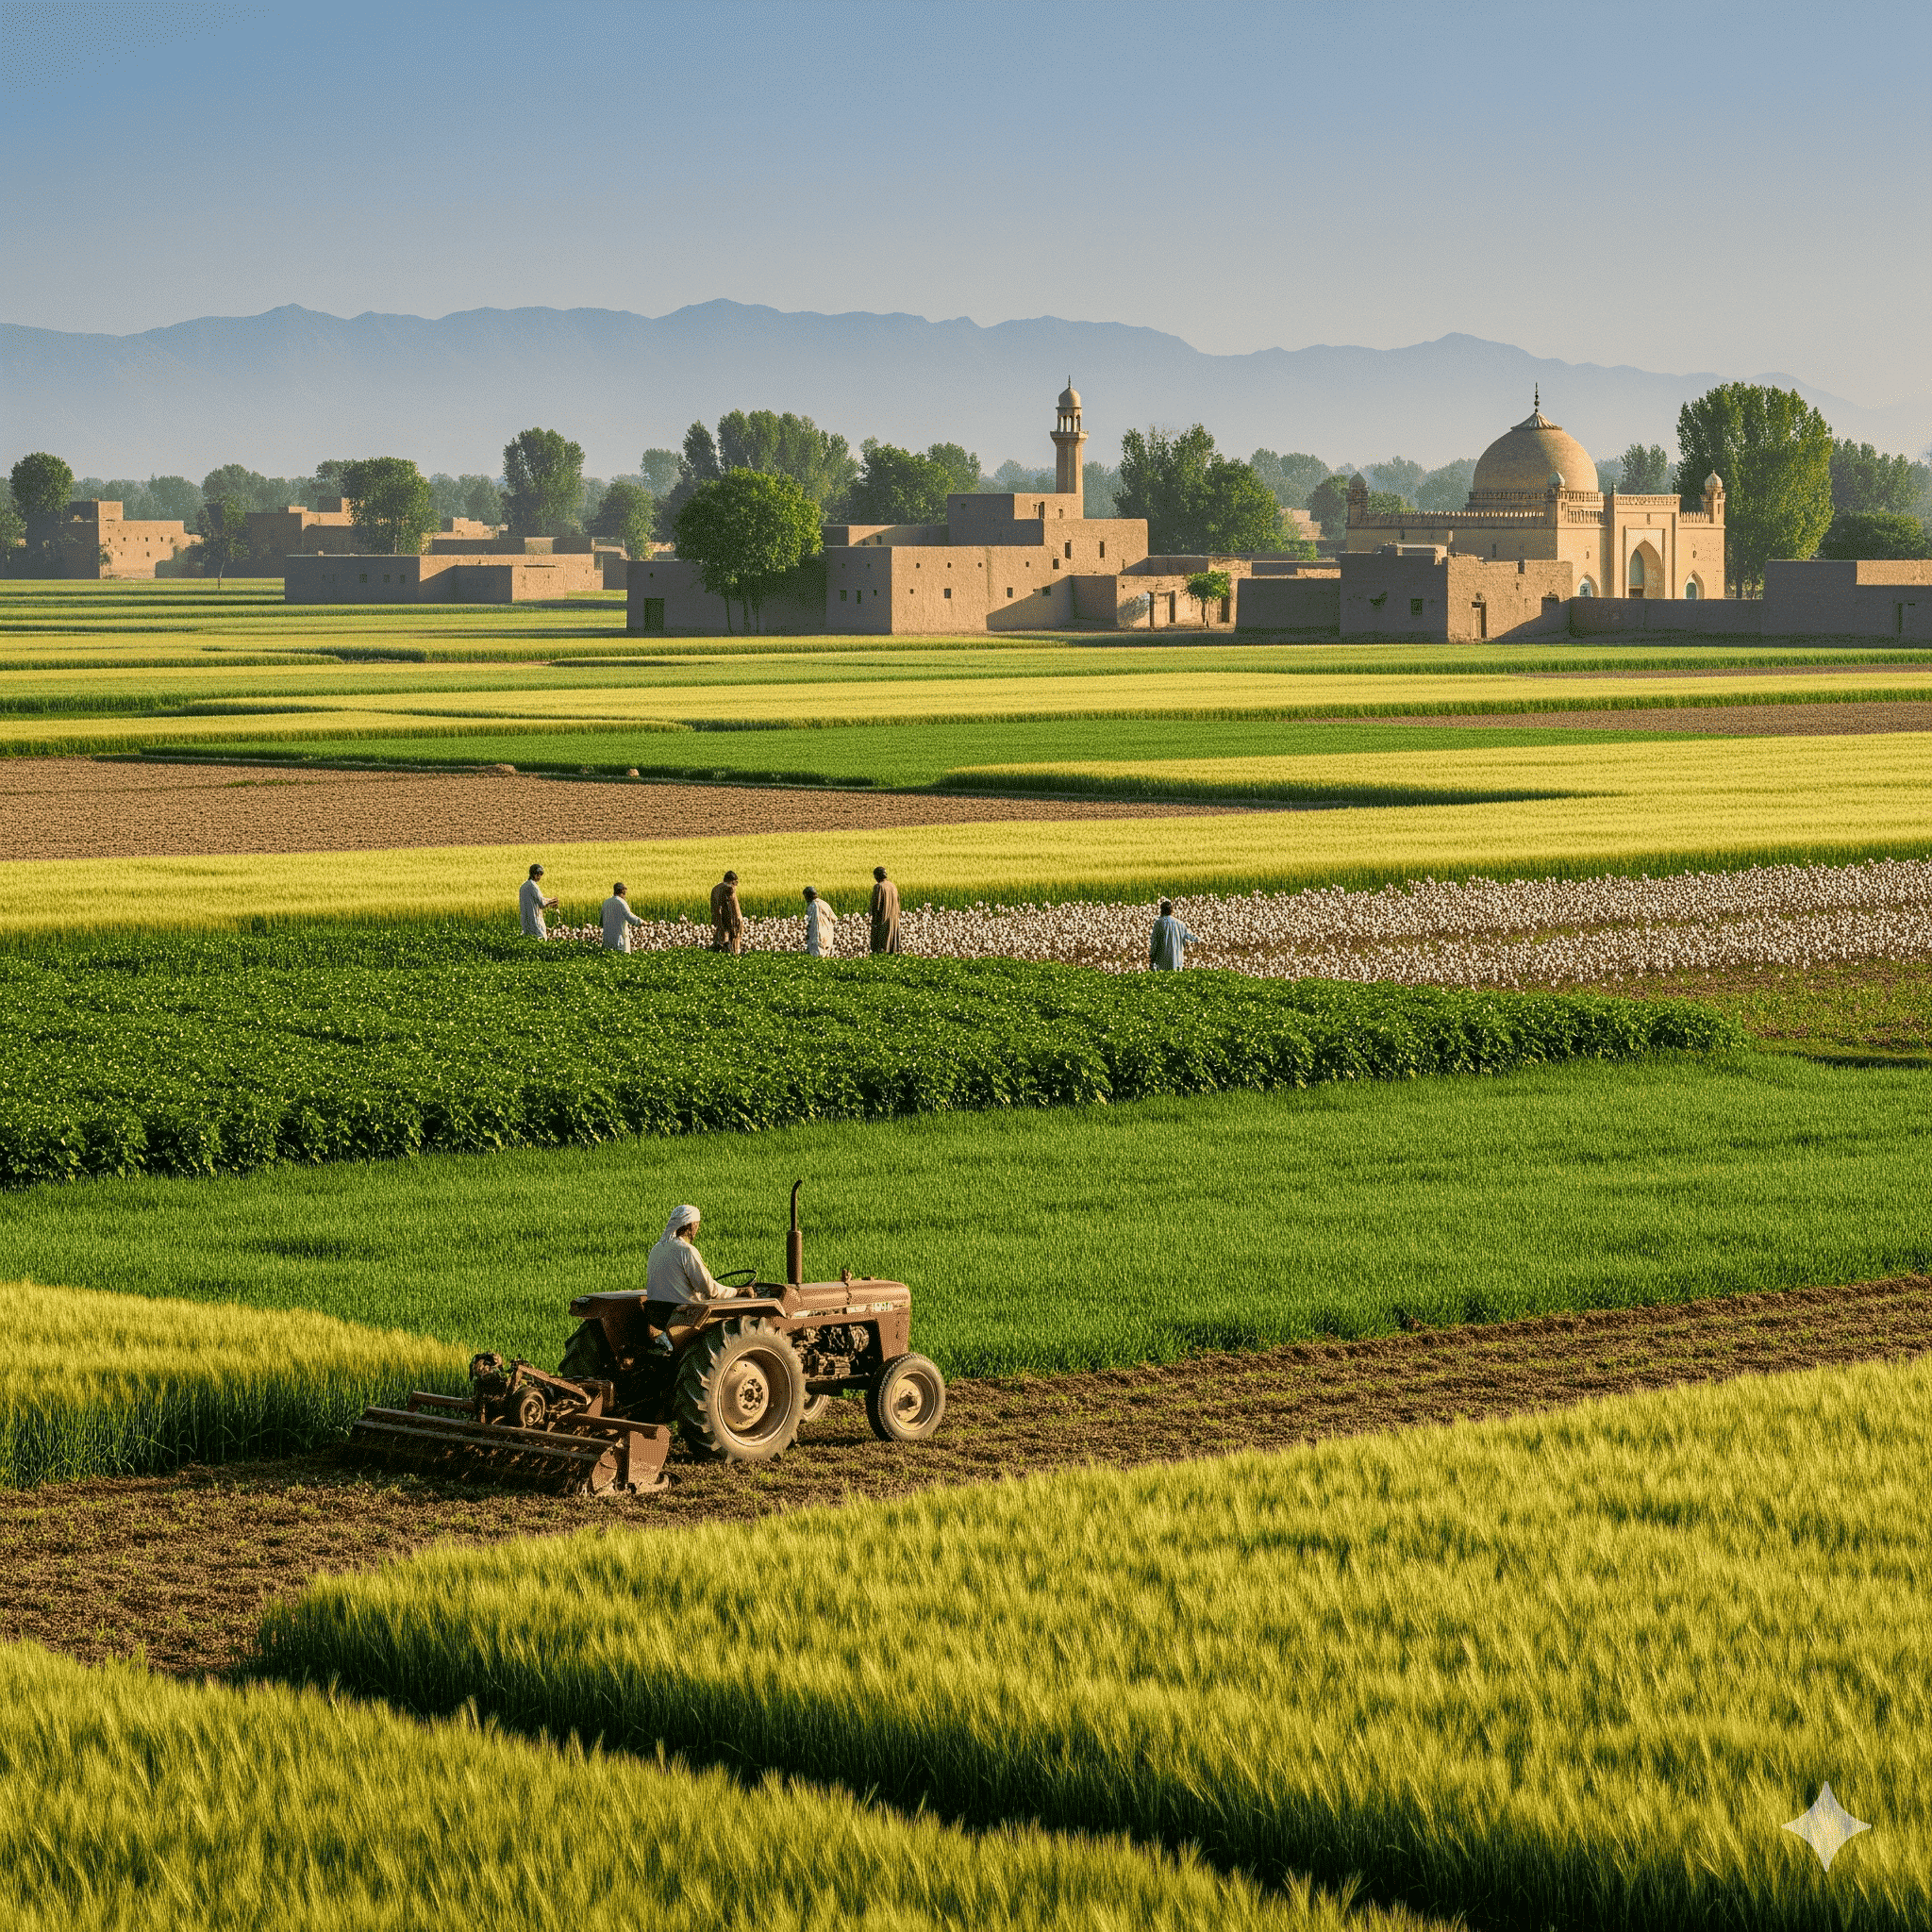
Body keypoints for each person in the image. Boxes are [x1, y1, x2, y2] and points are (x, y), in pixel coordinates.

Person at [642, 1204, 740, 1346]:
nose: (697, 1229)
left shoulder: (656, 1249)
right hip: (682, 1315)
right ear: (691, 1226)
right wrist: (736, 1291)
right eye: (697, 1225)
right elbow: (709, 1289)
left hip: (657, 1313)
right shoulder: (686, 1251)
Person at [1148, 898, 1197, 971]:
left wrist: (1152, 957)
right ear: (1172, 911)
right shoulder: (1180, 924)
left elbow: (1154, 942)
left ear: (1161, 911)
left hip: (1162, 962)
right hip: (1177, 961)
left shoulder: (1158, 923)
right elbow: (1189, 938)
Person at [601, 881, 644, 953]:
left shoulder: (606, 902)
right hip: (619, 942)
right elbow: (631, 918)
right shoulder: (622, 902)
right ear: (622, 892)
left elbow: (601, 922)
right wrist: (642, 922)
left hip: (607, 941)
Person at [869, 865, 902, 956]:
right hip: (894, 920)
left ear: (876, 876)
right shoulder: (893, 886)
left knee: (881, 946)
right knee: (892, 946)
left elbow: (876, 907)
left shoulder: (879, 887)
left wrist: (874, 921)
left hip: (883, 920)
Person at [519, 862, 557, 940]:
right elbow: (542, 903)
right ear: (535, 874)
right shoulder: (533, 886)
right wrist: (552, 901)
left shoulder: (523, 887)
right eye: (539, 875)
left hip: (526, 923)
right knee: (540, 939)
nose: (540, 877)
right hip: (535, 922)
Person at [709, 870, 744, 955]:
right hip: (726, 921)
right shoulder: (728, 890)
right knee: (729, 942)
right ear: (734, 882)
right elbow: (735, 912)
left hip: (722, 920)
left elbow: (716, 910)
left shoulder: (717, 889)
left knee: (722, 940)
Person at [803, 886, 837, 958]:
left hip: (817, 938)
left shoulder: (812, 906)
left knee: (817, 961)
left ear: (808, 896)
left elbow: (809, 922)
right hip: (828, 937)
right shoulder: (825, 904)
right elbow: (834, 919)